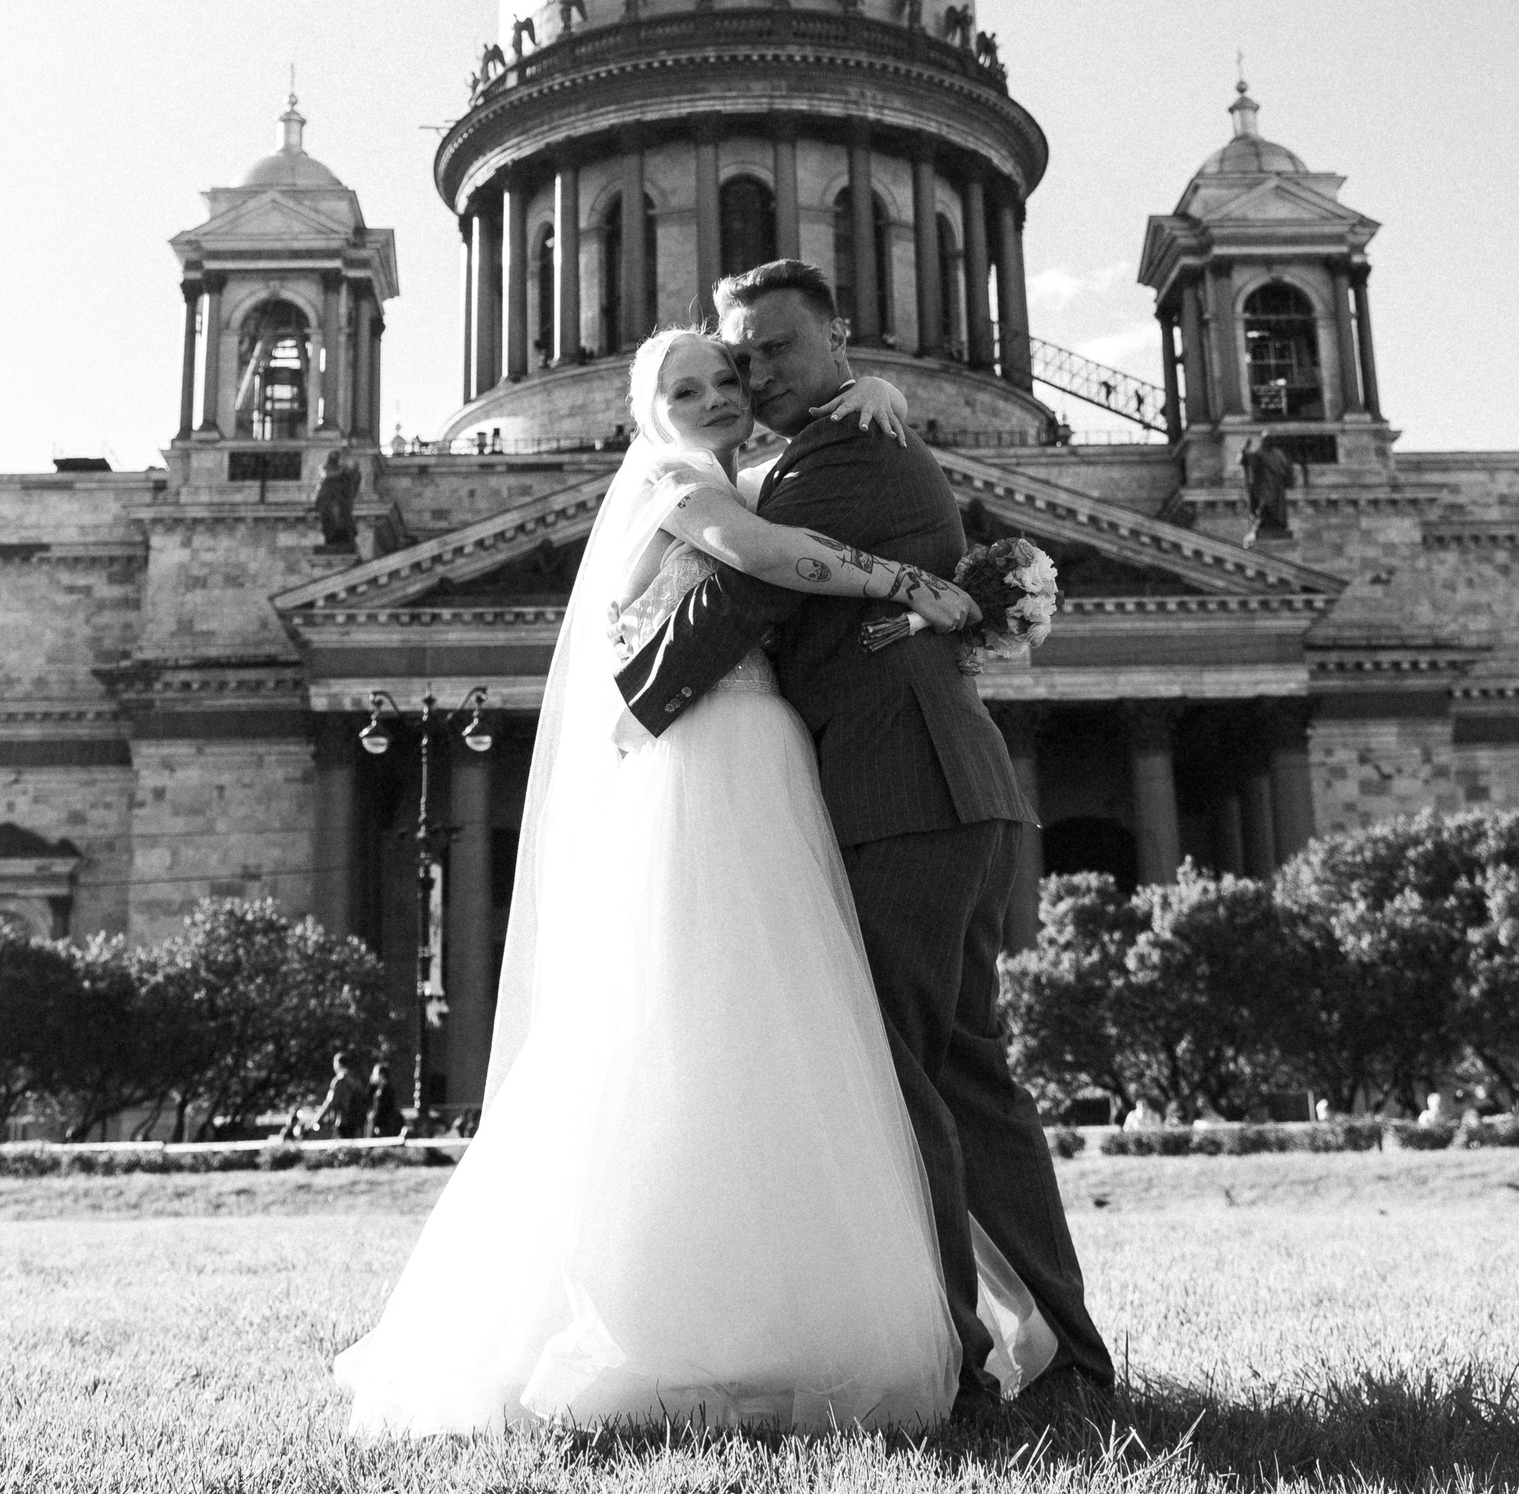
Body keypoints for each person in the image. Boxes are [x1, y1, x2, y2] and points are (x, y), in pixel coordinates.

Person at [335, 326, 1047, 1437]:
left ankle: (779, 1306)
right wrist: (909, 579)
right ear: (645, 406)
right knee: (698, 1016)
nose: (717, 395)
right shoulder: (682, 479)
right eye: (686, 384)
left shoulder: (762, 466)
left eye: (729, 377)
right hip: (717, 767)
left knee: (770, 1030)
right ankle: (682, 1314)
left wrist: (873, 385)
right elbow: (758, 555)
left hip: (769, 767)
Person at [613, 262, 1114, 1410]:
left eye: (777, 350)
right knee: (951, 1075)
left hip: (907, 793)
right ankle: (1048, 1360)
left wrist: (625, 695)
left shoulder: (840, 457)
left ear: (839, 338)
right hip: (911, 790)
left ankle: (968, 1364)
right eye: (732, 360)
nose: (750, 376)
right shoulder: (797, 455)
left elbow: (748, 595)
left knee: (912, 1079)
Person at [315, 1051, 368, 1140]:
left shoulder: (339, 1081)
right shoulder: (356, 1080)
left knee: (338, 1150)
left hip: (342, 1121)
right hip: (356, 1121)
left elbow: (330, 1102)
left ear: (338, 1064)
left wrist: (318, 1119)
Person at [364, 1062, 404, 1141]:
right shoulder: (385, 1089)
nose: (373, 1076)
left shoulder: (383, 1092)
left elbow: (380, 1110)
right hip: (387, 1126)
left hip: (384, 1127)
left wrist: (375, 1124)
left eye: (375, 1073)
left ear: (381, 1075)